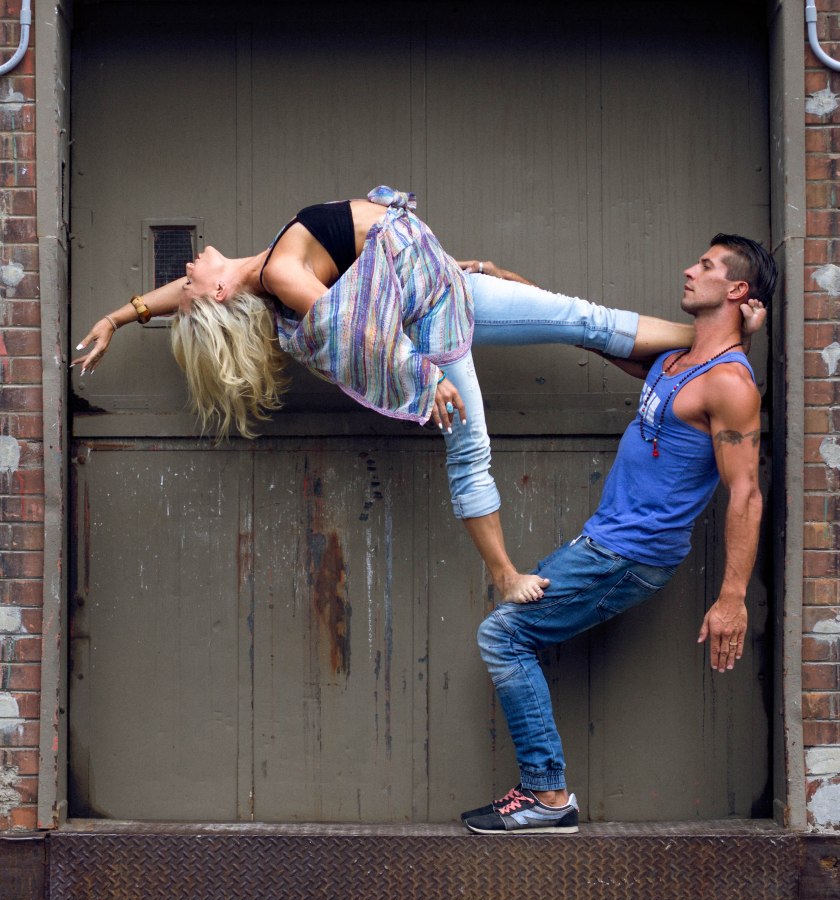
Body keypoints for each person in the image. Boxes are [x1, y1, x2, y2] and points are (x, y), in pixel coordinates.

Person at [73, 185, 707, 604]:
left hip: (440, 286)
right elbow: (364, 333)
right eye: (187, 282)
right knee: (470, 446)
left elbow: (182, 300)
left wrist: (119, 317)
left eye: (180, 277)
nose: (183, 271)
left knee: (583, 319)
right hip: (426, 323)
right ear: (214, 295)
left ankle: (714, 340)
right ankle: (505, 576)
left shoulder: (250, 273)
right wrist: (426, 376)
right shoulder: (279, 274)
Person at [461, 233, 777, 833]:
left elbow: (746, 492)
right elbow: (582, 327)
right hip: (605, 543)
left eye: (706, 266)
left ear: (736, 289)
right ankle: (546, 794)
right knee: (507, 633)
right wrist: (507, 281)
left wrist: (732, 597)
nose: (689, 270)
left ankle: (547, 796)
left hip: (630, 555)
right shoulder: (676, 361)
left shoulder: (731, 385)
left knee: (504, 637)